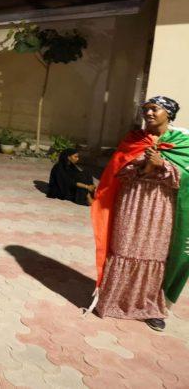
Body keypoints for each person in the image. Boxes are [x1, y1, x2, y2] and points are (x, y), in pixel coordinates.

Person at [90, 96, 189, 331]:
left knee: (155, 253)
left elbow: (187, 177)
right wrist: (144, 165)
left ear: (169, 114)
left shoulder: (183, 143)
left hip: (162, 208)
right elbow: (118, 171)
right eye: (146, 109)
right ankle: (113, 299)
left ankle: (152, 308)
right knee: (124, 247)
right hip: (132, 203)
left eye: (155, 109)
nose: (149, 113)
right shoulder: (133, 140)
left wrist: (164, 166)